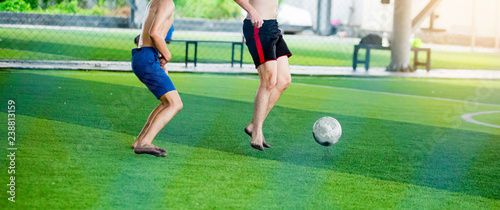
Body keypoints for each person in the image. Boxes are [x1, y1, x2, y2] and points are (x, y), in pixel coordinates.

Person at [234, 0, 292, 151]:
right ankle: (257, 133)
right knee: (268, 81)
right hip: (258, 27)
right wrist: (252, 11)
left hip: (273, 26)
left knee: (283, 80)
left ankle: (253, 125)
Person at [131, 0, 182, 157]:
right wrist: (167, 55)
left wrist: (157, 56)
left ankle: (140, 141)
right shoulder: (167, 3)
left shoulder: (154, 2)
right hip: (147, 58)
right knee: (175, 104)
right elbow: (154, 33)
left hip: (145, 57)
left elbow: (143, 37)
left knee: (168, 102)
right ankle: (145, 142)